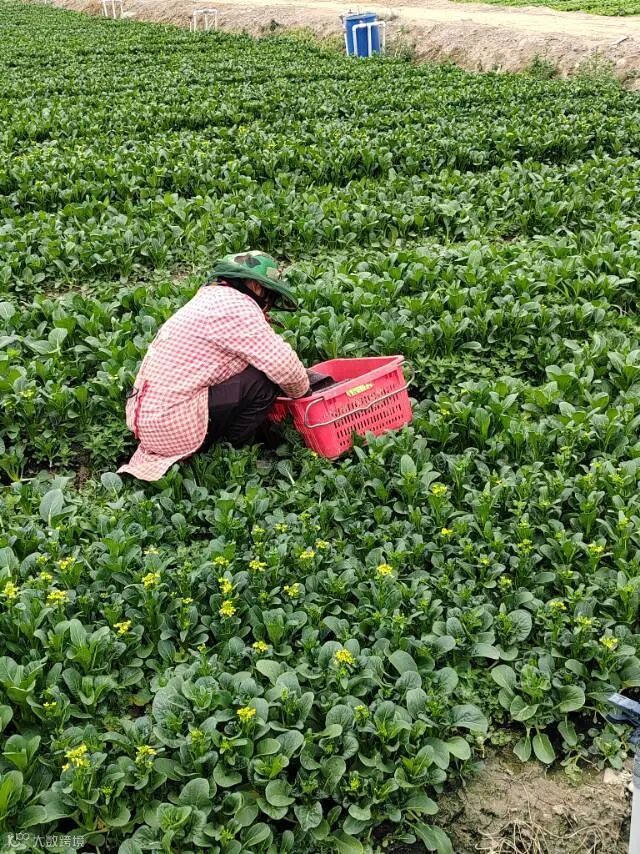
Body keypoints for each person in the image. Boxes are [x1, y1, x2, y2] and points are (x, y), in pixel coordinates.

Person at [117, 251, 313, 482]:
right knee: (264, 380)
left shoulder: (210, 299)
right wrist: (305, 394)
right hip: (172, 426)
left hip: (150, 422)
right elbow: (285, 366)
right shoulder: (237, 307)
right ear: (255, 285)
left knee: (256, 369)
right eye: (268, 296)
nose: (268, 305)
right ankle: (229, 448)